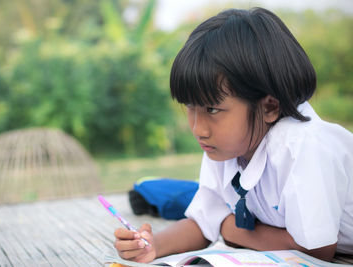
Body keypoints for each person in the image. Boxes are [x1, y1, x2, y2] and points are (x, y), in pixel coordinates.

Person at [113, 7, 353, 263]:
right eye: (190, 107)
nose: (198, 129)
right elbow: (204, 222)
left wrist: (232, 230)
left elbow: (316, 251)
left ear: (269, 106)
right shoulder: (227, 145)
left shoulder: (303, 147)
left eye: (213, 109)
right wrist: (153, 245)